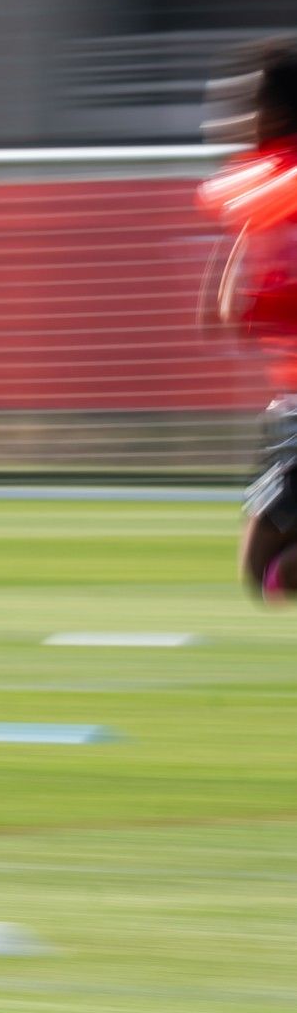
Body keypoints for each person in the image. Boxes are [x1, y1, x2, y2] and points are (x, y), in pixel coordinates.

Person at [197, 38, 297, 600]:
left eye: (246, 103)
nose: (235, 117)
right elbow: (226, 315)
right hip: (289, 408)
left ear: (278, 110)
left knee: (267, 572)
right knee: (265, 571)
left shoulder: (277, 190)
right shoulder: (267, 194)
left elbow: (226, 313)